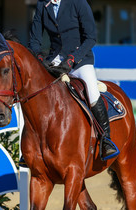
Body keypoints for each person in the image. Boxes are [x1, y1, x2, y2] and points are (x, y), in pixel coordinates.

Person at [28, 0, 119, 160]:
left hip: (80, 60)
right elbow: (34, 40)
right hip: (55, 58)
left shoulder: (78, 2)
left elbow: (90, 38)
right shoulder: (43, 4)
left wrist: (72, 59)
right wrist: (40, 57)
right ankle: (32, 143)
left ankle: (106, 140)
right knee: (36, 91)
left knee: (92, 92)